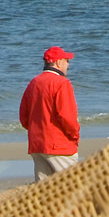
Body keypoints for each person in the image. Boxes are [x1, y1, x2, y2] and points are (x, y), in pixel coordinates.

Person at [19, 46, 80, 180]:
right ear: (58, 63)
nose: (68, 64)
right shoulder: (62, 83)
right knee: (71, 188)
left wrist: (37, 130)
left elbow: (24, 117)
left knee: (45, 193)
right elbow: (67, 117)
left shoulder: (34, 82)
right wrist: (75, 134)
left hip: (38, 144)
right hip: (59, 145)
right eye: (66, 61)